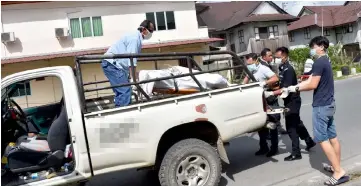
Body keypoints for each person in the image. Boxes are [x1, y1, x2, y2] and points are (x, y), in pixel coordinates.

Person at [283, 36, 349, 185]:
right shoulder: (326, 60)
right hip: (330, 104)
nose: (311, 50)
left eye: (313, 47)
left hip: (321, 106)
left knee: (321, 139)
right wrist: (299, 84)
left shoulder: (319, 62)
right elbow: (311, 78)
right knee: (333, 137)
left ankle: (339, 172)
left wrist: (295, 88)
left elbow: (313, 84)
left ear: (321, 46)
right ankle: (336, 167)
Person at [266, 47, 315, 161]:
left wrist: (271, 94)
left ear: (284, 56)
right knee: (297, 123)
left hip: (293, 101)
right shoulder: (282, 67)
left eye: (277, 57)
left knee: (291, 127)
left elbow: (285, 88)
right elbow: (281, 85)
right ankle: (309, 141)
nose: (275, 59)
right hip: (289, 100)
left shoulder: (288, 69)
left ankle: (296, 152)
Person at [102, 20, 154, 107]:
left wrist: (131, 76)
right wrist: (133, 79)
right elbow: (131, 59)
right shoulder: (135, 38)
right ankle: (121, 115)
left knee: (123, 92)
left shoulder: (135, 36)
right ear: (144, 29)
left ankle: (120, 110)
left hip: (115, 65)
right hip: (113, 65)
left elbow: (129, 59)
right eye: (151, 30)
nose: (152, 33)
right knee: (125, 91)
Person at [243, 53, 280, 157]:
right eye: (247, 63)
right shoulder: (251, 70)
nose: (248, 65)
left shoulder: (263, 69)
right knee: (261, 125)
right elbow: (244, 82)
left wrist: (265, 83)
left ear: (255, 61)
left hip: (269, 98)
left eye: (250, 63)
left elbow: (275, 78)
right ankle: (263, 147)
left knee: (272, 124)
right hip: (258, 99)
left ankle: (274, 148)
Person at [260, 48, 288, 135]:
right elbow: (273, 78)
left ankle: (274, 129)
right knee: (274, 110)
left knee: (270, 111)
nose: (272, 57)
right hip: (269, 91)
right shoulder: (264, 66)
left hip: (269, 91)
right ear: (264, 57)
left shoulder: (266, 64)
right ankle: (276, 128)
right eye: (270, 56)